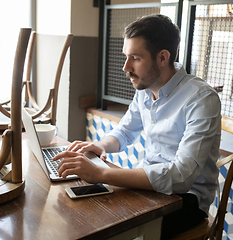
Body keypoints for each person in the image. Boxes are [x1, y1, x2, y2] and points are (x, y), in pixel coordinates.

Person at [54, 14, 221, 239]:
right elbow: (124, 132)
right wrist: (99, 146)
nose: (126, 67)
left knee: (104, 227)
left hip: (186, 199)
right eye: (126, 57)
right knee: (83, 212)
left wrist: (102, 173)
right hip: (150, 187)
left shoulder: (201, 98)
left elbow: (181, 176)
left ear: (163, 57)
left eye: (135, 58)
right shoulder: (145, 89)